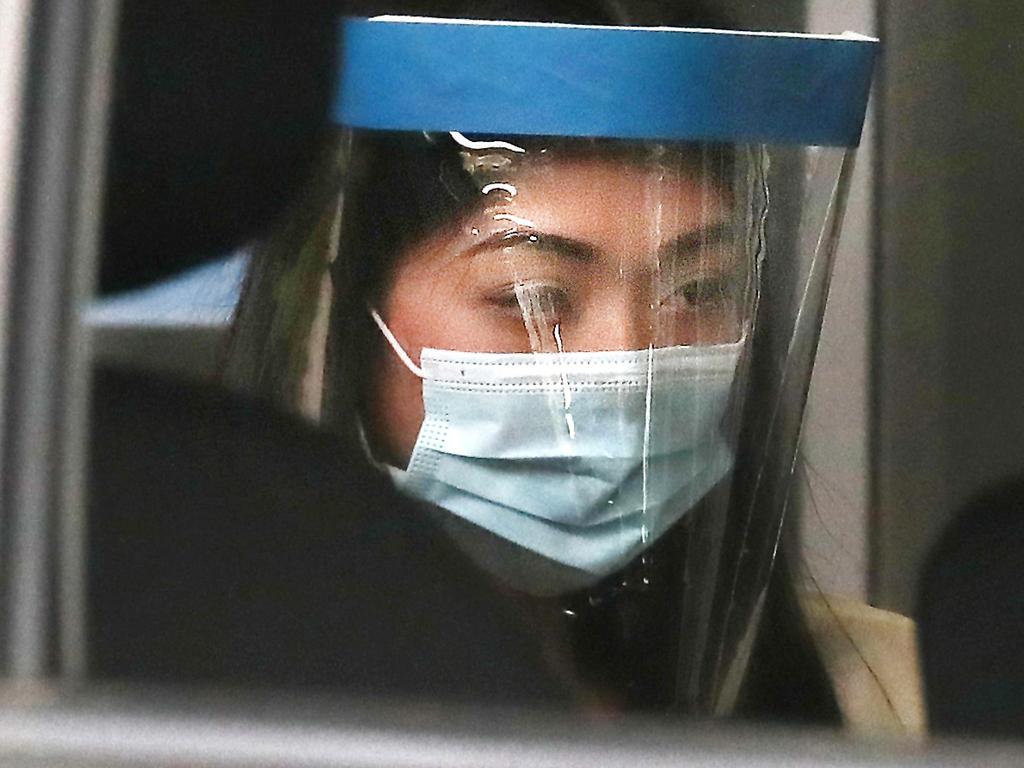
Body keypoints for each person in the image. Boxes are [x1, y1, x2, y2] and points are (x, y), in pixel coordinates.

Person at [225, 1, 907, 732]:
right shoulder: (169, 706)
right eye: (534, 296)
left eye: (698, 289)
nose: (628, 363)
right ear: (344, 314)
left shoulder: (898, 699)